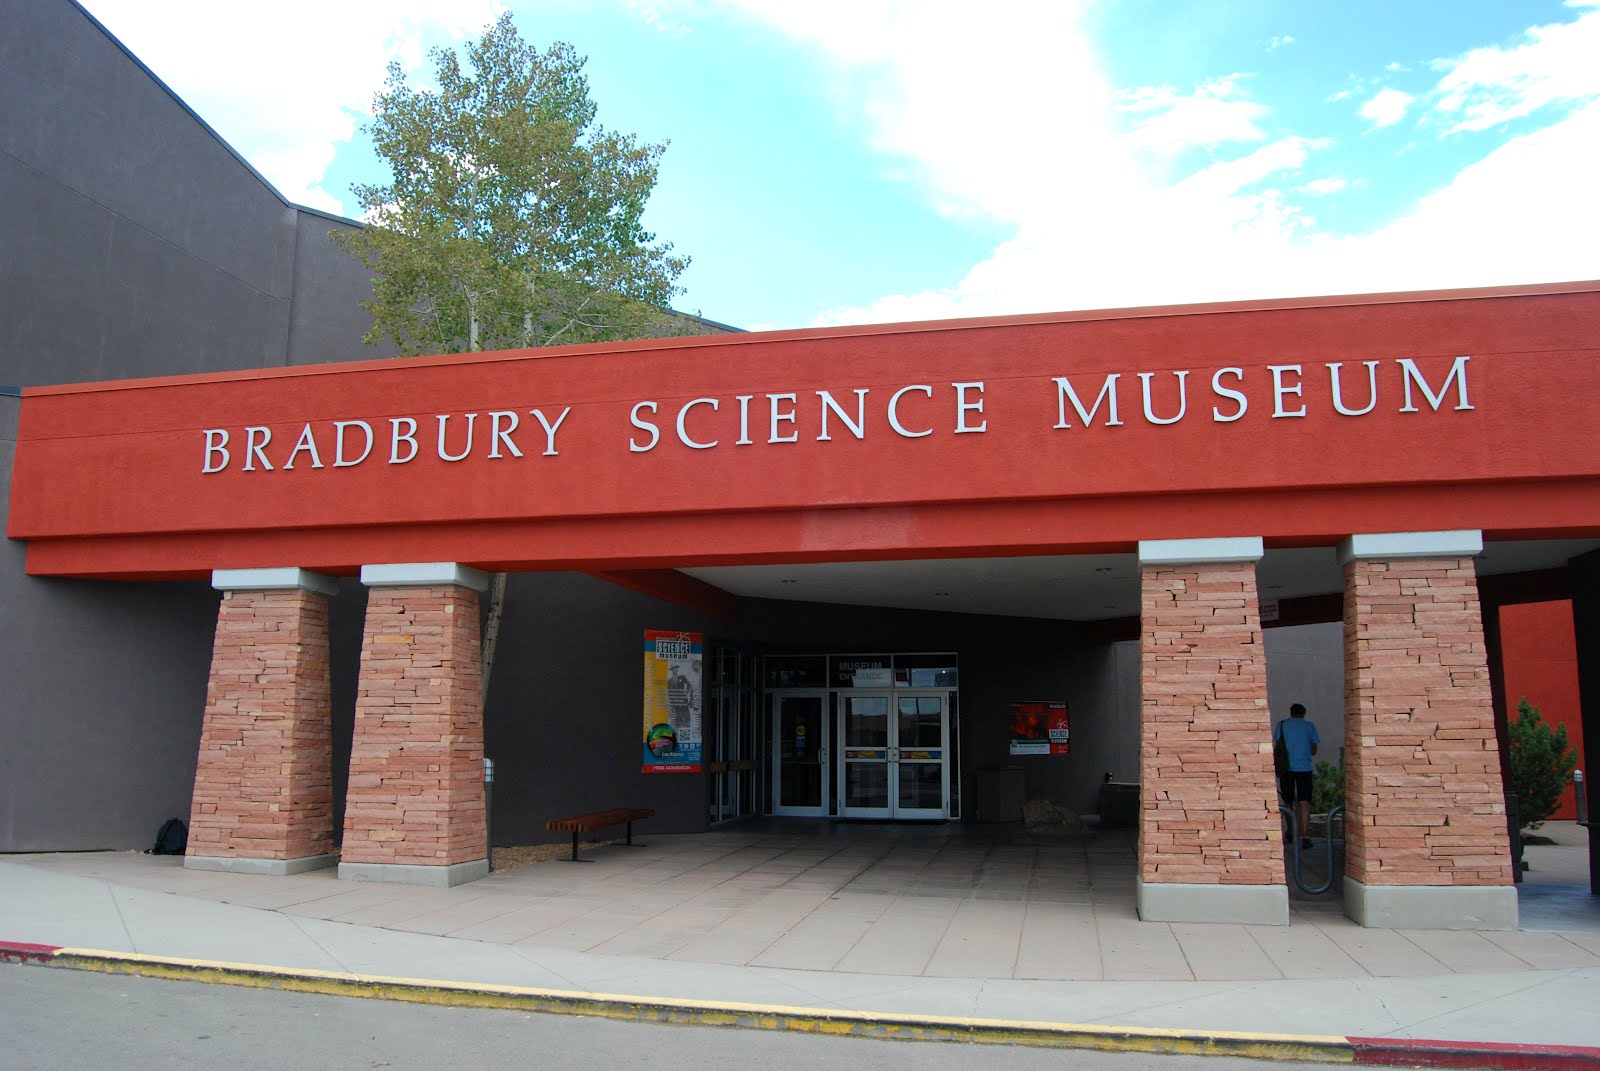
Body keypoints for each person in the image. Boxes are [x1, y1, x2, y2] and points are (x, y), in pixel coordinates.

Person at [1274, 702, 1320, 850]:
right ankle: (1305, 835)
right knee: (1304, 801)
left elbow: (1277, 747)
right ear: (1303, 713)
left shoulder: (1281, 725)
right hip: (1304, 768)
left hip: (1286, 769)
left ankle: (1291, 832)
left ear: (1291, 712)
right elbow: (1314, 750)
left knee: (1288, 801)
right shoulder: (1309, 726)